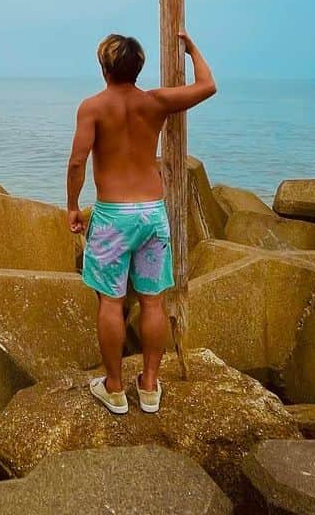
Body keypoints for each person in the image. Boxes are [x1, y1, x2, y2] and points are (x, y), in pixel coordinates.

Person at [66, 31, 216, 415]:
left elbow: (77, 162)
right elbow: (207, 86)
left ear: (104, 67)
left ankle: (114, 389)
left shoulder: (93, 107)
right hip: (152, 212)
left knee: (111, 303)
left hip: (114, 217)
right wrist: (193, 49)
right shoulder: (156, 102)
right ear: (138, 67)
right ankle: (149, 387)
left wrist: (72, 206)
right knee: (153, 300)